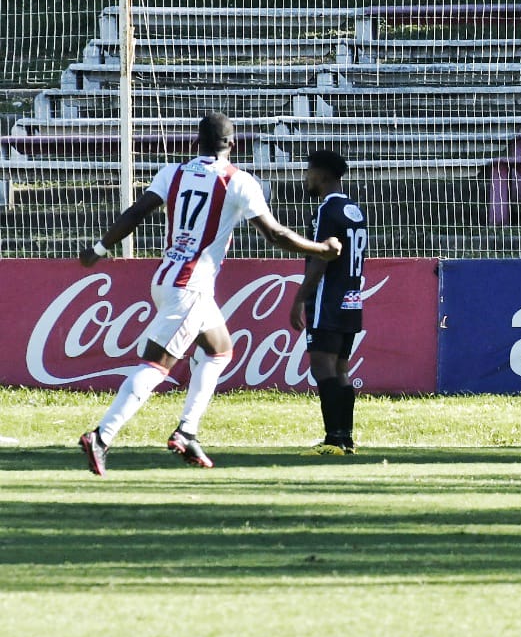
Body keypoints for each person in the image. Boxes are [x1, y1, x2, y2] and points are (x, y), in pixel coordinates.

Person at [77, 111, 342, 477]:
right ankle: (102, 436)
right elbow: (275, 235)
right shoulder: (239, 181)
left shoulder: (173, 172)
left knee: (219, 350)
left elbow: (137, 212)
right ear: (232, 145)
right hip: (191, 287)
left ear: (195, 143)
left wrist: (101, 248)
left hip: (169, 278)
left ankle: (187, 432)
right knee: (155, 366)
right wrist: (320, 249)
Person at [290, 150, 367, 455]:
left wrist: (297, 300)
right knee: (342, 368)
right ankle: (345, 438)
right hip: (351, 298)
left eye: (308, 172)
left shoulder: (326, 211)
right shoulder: (353, 209)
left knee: (323, 366)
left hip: (327, 300)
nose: (306, 178)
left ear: (321, 174)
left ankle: (334, 438)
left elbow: (320, 261)